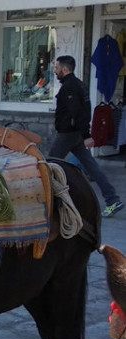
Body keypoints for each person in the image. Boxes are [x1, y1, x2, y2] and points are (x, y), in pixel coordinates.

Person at [50, 55, 124, 217]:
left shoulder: (70, 87)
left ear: (65, 69)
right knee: (91, 166)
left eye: (56, 68)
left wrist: (86, 134)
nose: (55, 71)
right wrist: (84, 134)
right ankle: (113, 199)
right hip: (75, 134)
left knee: (49, 165)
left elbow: (77, 113)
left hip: (69, 134)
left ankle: (50, 202)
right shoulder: (79, 85)